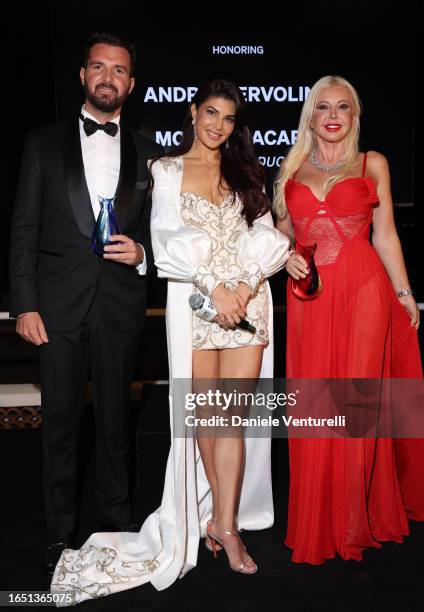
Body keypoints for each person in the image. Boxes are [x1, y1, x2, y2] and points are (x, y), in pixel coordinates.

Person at [50, 79, 290, 604]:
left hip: (249, 306)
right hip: (199, 306)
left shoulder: (246, 172)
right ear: (192, 111)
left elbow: (270, 237)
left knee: (231, 421)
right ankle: (210, 522)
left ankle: (225, 526)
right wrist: (215, 289)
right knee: (206, 421)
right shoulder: (166, 170)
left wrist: (245, 288)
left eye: (227, 118)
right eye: (210, 113)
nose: (217, 126)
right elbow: (162, 243)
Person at [9, 32, 162, 575]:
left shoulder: (149, 153)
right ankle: (59, 534)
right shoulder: (42, 143)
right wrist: (23, 304)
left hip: (120, 309)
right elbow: (24, 227)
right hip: (55, 311)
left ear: (131, 83)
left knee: (118, 426)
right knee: (60, 429)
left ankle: (118, 527)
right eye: (98, 67)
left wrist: (141, 251)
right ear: (82, 75)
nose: (107, 77)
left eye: (119, 70)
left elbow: (162, 235)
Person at [274, 75, 423, 565]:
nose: (333, 115)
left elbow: (386, 236)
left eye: (343, 107)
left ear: (354, 116)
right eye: (323, 107)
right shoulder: (290, 168)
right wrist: (284, 257)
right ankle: (320, 519)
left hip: (364, 292)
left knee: (357, 408)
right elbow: (279, 235)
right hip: (309, 298)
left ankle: (355, 519)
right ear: (310, 116)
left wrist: (405, 294)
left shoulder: (371, 163)